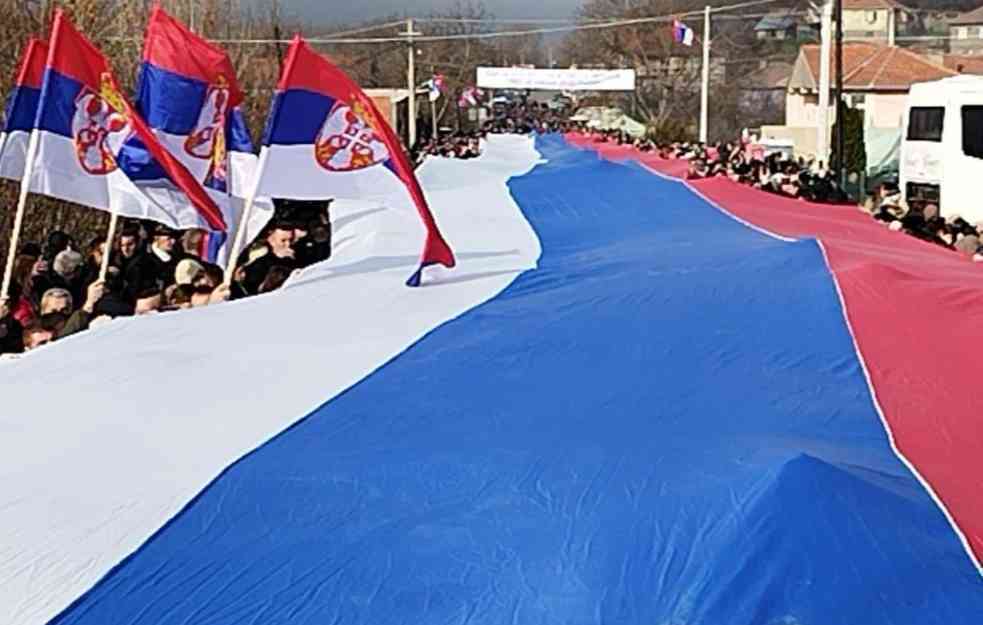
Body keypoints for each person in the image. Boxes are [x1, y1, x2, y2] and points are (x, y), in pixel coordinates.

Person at [125, 224, 181, 300]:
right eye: (169, 238)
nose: (173, 241)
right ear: (156, 237)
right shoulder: (143, 262)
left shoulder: (176, 258)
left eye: (174, 238)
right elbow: (136, 290)